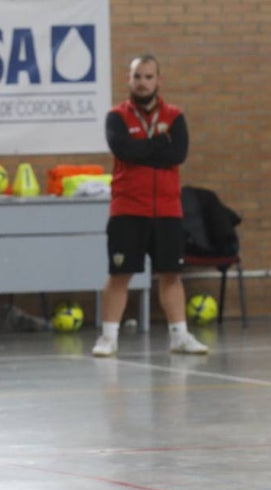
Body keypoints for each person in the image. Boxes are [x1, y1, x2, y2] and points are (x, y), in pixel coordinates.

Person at [91, 54, 208, 357]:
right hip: (127, 209)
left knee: (171, 274)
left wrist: (143, 149)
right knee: (120, 275)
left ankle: (180, 336)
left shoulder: (175, 116)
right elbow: (124, 151)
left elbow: (177, 154)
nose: (142, 82)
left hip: (168, 211)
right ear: (128, 80)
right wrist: (158, 144)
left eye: (148, 76)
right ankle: (108, 337)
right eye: (137, 76)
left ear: (159, 80)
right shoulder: (116, 116)